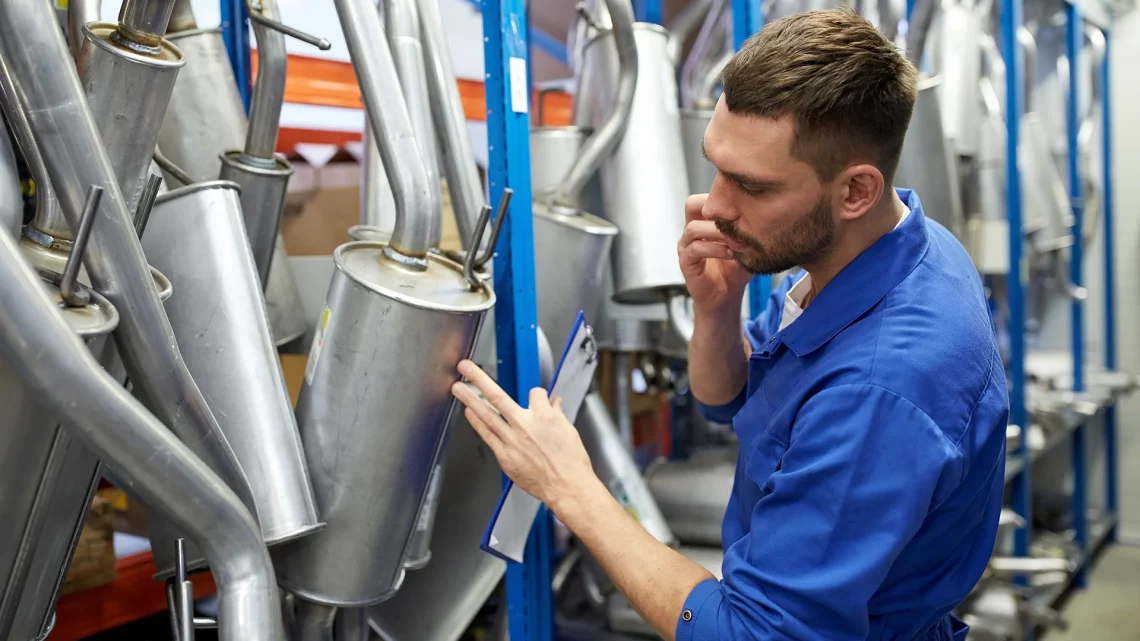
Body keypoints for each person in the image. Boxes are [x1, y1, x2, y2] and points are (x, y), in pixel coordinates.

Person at [449, 7, 1008, 641]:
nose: (714, 204)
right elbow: (731, 401)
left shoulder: (882, 388)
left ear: (855, 190)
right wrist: (717, 309)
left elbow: (754, 634)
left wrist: (572, 489)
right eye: (714, 164)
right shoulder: (880, 250)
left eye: (751, 185)